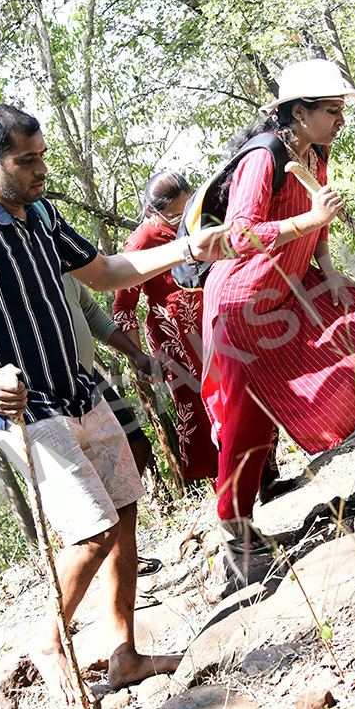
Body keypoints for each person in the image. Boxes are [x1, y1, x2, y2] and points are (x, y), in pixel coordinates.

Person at [0, 104, 229, 703]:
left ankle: (124, 655)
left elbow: (106, 273)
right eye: (27, 161)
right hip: (24, 410)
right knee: (92, 529)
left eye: (42, 156)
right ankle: (50, 640)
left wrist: (189, 246)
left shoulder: (44, 216)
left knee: (126, 510)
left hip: (78, 388)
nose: (41, 170)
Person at [200, 58, 355, 532]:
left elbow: (320, 216)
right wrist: (308, 222)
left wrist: (330, 271)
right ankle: (235, 526)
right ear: (298, 112)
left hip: (293, 283)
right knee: (247, 420)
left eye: (340, 110)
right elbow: (238, 235)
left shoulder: (316, 151)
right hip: (243, 302)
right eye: (332, 110)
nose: (340, 120)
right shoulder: (261, 159)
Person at [113, 172, 219, 480]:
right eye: (174, 217)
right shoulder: (140, 242)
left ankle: (264, 478)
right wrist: (138, 358)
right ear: (152, 212)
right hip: (175, 340)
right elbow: (124, 306)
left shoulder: (199, 219)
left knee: (240, 394)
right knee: (201, 409)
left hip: (212, 322)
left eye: (186, 212)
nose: (182, 221)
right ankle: (229, 493)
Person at [62, 274, 161, 575]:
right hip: (50, 395)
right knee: (87, 484)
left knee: (137, 446)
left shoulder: (56, 256)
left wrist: (136, 354)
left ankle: (120, 557)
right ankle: (108, 559)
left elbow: (90, 312)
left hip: (89, 379)